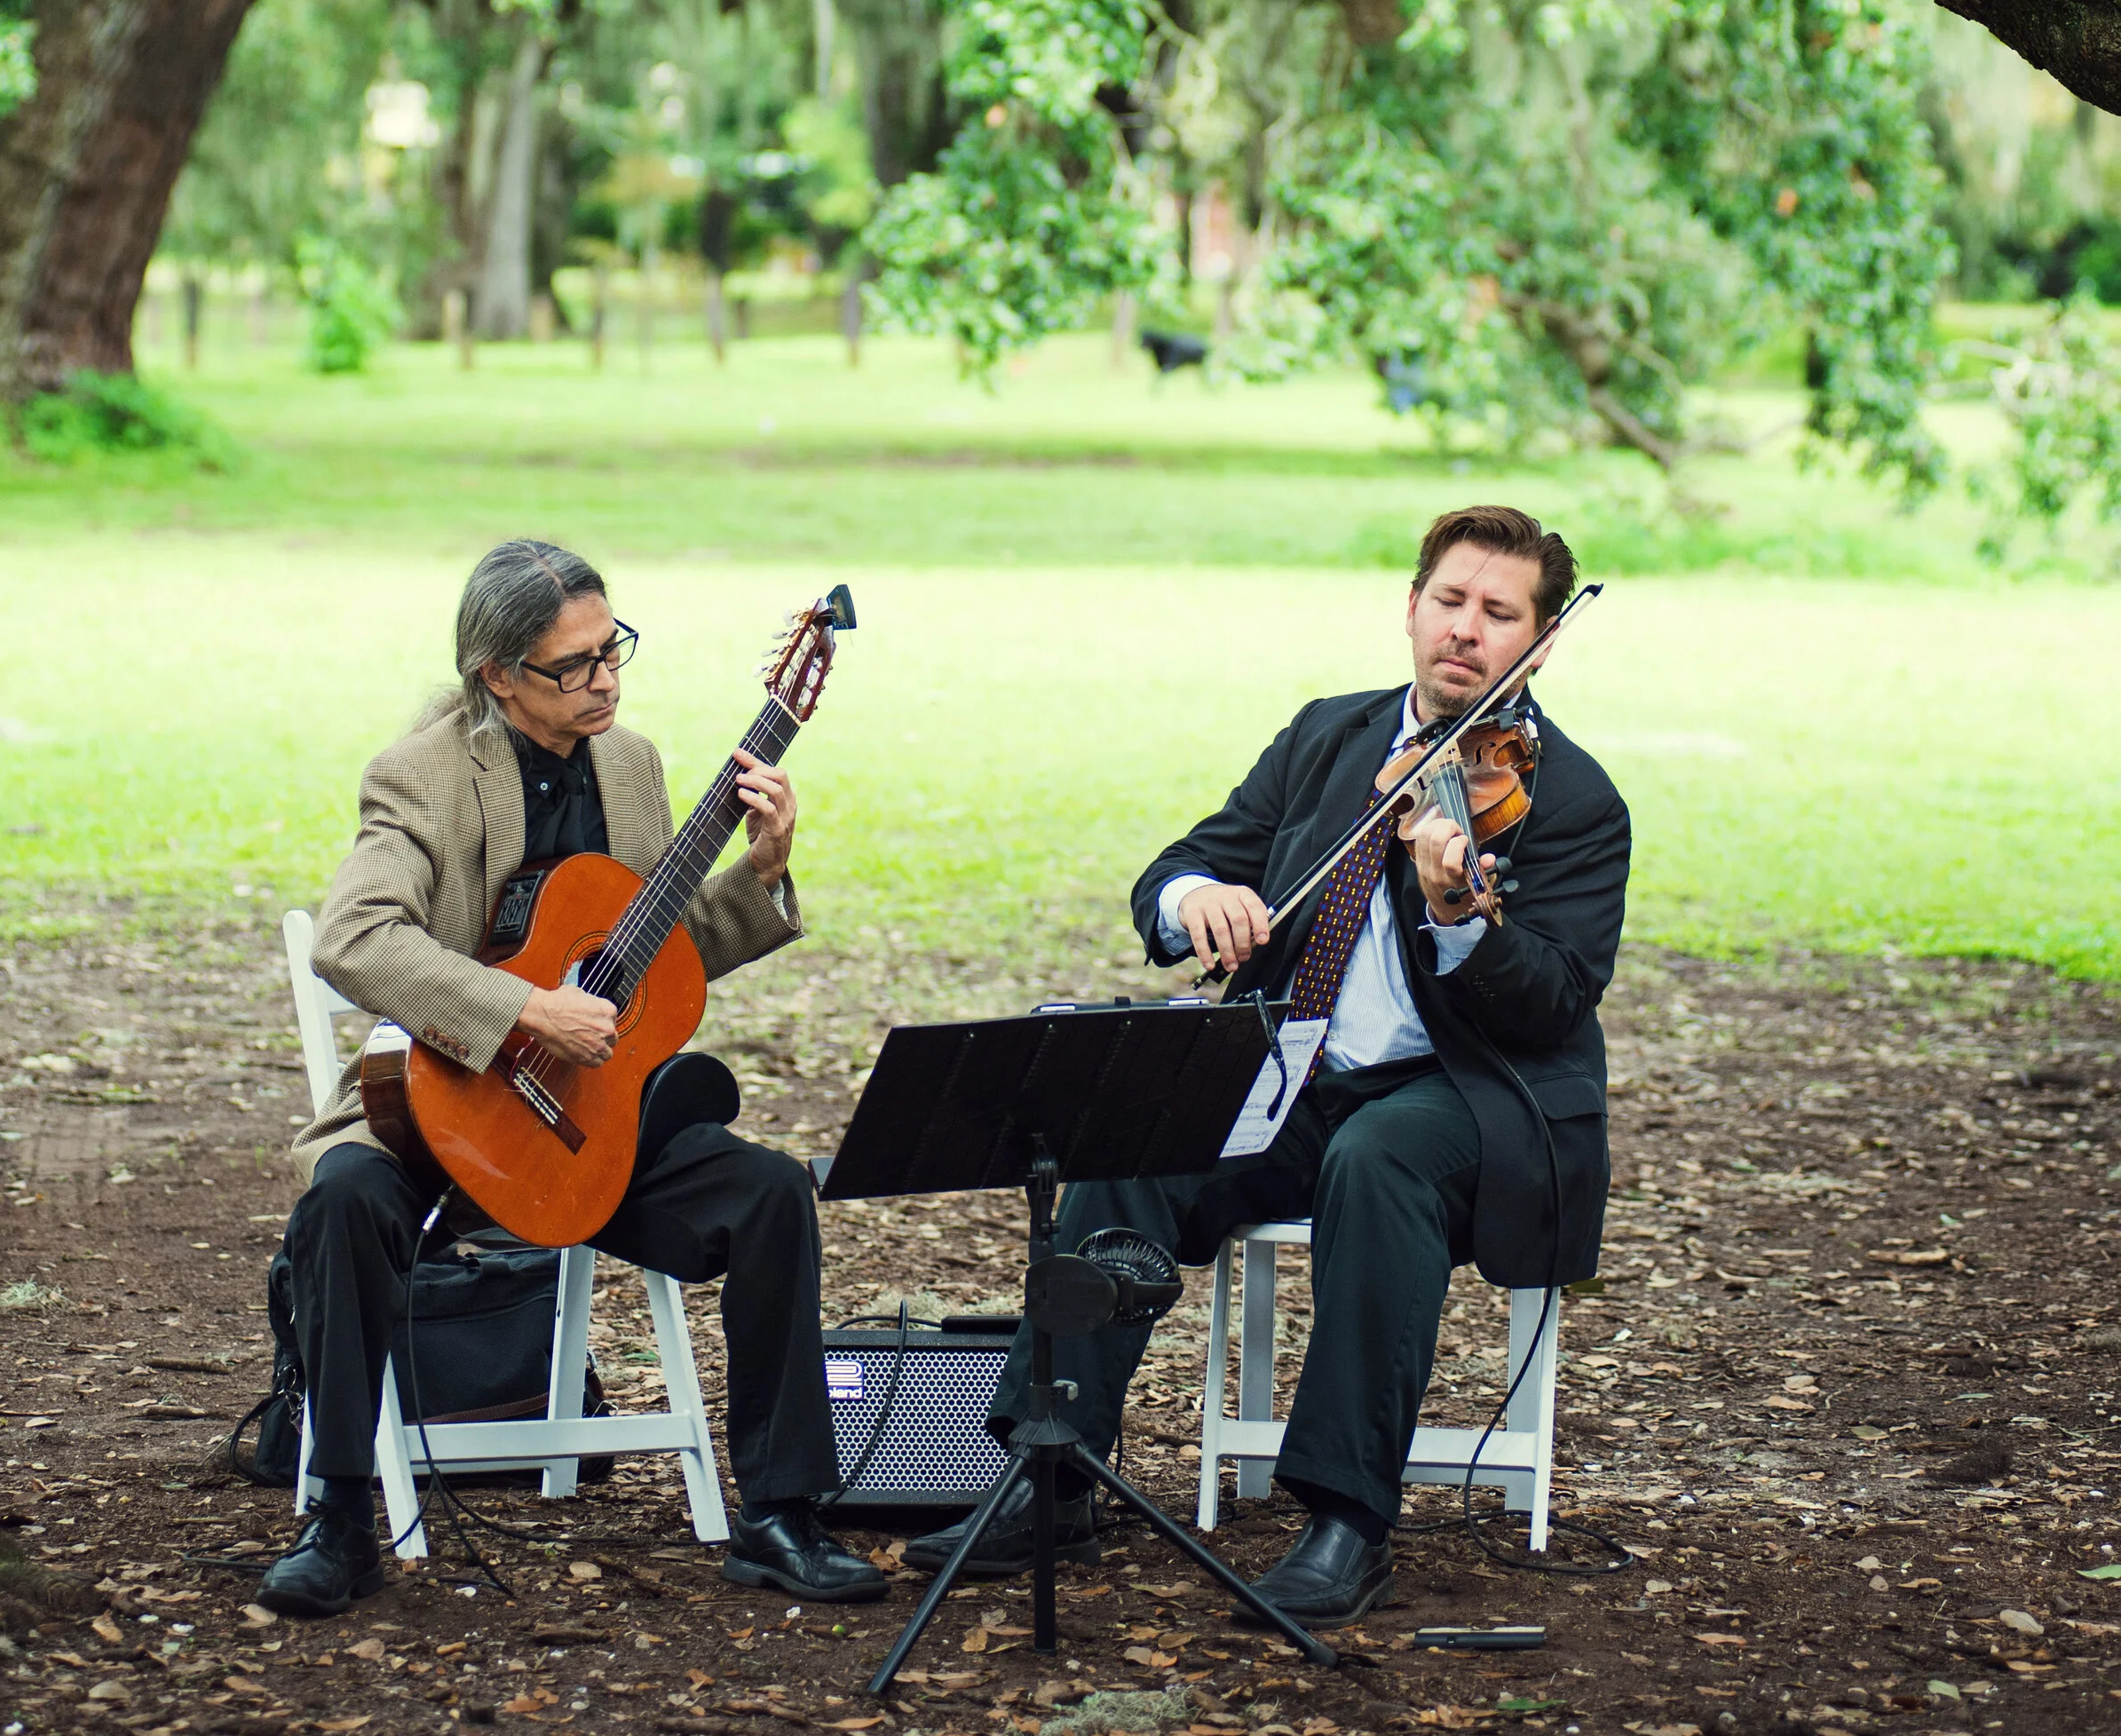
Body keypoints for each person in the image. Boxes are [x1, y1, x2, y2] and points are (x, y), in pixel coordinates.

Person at [910, 503, 1630, 1625]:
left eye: (1498, 615)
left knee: (1380, 1161)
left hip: (1464, 1094)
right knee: (1127, 1127)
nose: (1466, 632)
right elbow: (1185, 862)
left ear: (1537, 645)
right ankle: (1046, 1476)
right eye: (1449, 601)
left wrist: (1459, 919)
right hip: (1296, 1067)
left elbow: (1553, 1000)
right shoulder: (1329, 739)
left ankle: (1348, 1521)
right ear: (1410, 607)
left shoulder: (1571, 801)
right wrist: (1198, 898)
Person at [260, 536, 882, 1621]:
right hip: (445, 1113)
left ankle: (782, 1516)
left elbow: (649, 959)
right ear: (497, 675)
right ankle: (342, 1516)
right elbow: (354, 937)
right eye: (574, 665)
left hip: (589, 1129)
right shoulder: (424, 774)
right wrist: (522, 1009)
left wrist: (763, 875)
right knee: (345, 1201)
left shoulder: (629, 766)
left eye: (613, 650)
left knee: (773, 1194)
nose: (606, 680)